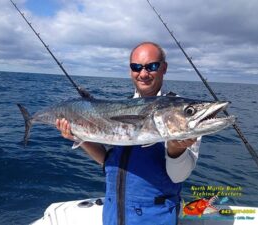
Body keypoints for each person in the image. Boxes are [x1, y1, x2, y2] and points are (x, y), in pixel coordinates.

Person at [56, 42, 200, 225]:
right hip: (112, 216)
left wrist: (175, 150)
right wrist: (80, 138)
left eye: (152, 66)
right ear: (130, 70)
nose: (143, 73)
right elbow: (109, 162)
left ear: (164, 68)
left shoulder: (181, 112)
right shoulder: (121, 106)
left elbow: (179, 176)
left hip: (153, 219)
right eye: (136, 67)